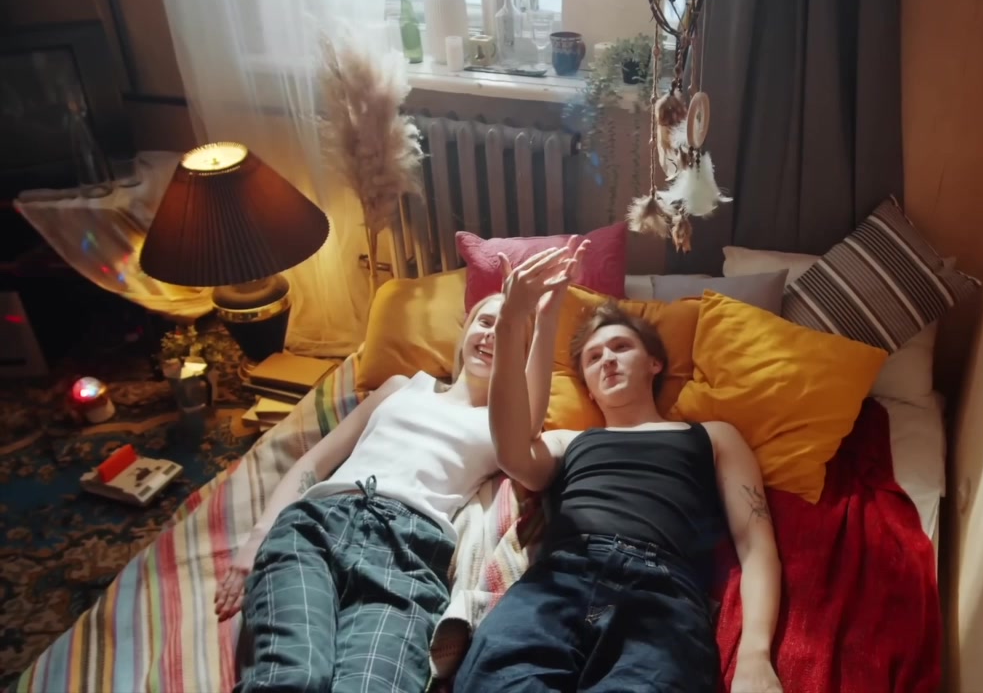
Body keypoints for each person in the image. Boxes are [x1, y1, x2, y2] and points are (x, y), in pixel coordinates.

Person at [216, 244, 584, 693]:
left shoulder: (502, 427)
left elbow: (526, 423)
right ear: (464, 333)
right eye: (484, 322)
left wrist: (542, 318)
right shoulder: (402, 387)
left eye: (505, 331)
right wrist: (255, 542)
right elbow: (315, 461)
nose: (491, 335)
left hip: (409, 553)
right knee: (296, 676)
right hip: (318, 525)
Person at [454, 264, 784, 692]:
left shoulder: (713, 436)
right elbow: (514, 453)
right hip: (560, 578)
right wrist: (514, 322)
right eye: (593, 358)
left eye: (621, 347)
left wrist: (756, 655)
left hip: (662, 593)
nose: (607, 359)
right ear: (589, 389)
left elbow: (756, 545)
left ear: (654, 363)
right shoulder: (569, 440)